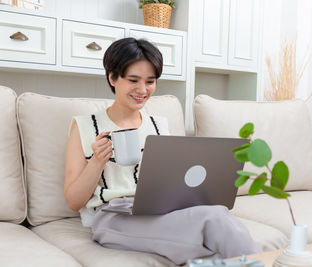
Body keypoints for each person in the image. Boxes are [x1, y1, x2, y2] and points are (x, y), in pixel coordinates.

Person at [64, 37, 261, 265]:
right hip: (114, 217)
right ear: (112, 77)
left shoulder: (159, 125)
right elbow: (73, 201)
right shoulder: (84, 125)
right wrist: (97, 161)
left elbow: (171, 183)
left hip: (158, 210)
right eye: (133, 80)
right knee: (215, 218)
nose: (142, 90)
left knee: (215, 225)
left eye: (150, 81)